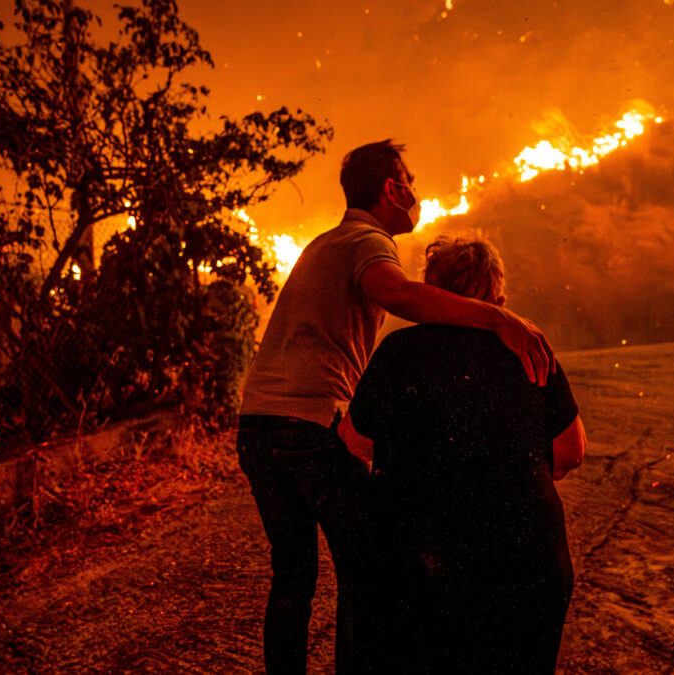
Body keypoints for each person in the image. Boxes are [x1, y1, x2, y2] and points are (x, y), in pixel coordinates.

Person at [237, 140, 557, 674]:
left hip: (256, 425)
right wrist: (497, 318)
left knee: (292, 575)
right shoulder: (368, 240)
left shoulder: (324, 243)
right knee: (371, 569)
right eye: (410, 180)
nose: (416, 191)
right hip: (311, 425)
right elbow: (400, 296)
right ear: (392, 189)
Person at [341, 235, 587, 674]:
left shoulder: (398, 352)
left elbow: (356, 441)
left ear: (430, 291)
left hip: (418, 566)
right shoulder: (528, 347)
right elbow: (571, 450)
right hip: (528, 564)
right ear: (499, 295)